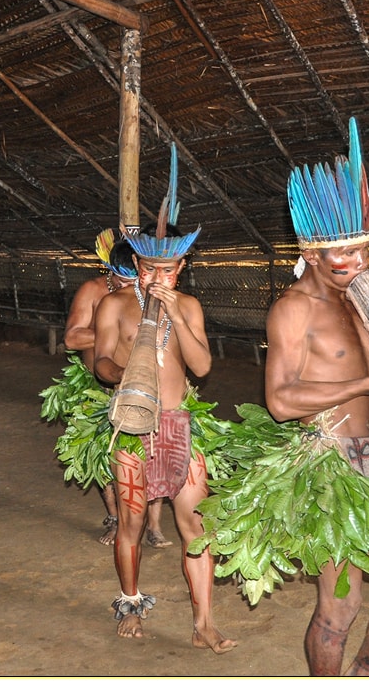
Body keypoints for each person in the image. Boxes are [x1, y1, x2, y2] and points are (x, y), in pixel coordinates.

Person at [264, 106, 369, 675]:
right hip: (331, 466)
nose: (357, 261)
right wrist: (366, 384)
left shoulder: (358, 295)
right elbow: (280, 402)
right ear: (311, 254)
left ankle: (367, 670)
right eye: (344, 253)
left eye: (364, 250)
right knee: (340, 606)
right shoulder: (292, 311)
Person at [92, 191, 235, 651]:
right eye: (151, 268)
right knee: (131, 524)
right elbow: (99, 363)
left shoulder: (188, 306)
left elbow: (203, 367)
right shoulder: (114, 306)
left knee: (196, 526)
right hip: (134, 427)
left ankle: (203, 623)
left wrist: (174, 309)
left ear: (181, 268)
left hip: (179, 427)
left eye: (169, 270)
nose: (159, 276)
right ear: (137, 264)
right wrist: (126, 379)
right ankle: (131, 603)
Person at [61, 229, 170, 549]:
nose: (130, 289)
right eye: (123, 283)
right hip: (100, 385)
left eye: (132, 281)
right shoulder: (93, 292)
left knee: (154, 449)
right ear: (109, 273)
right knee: (105, 454)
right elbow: (71, 338)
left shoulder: (150, 291)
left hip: (144, 384)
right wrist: (115, 331)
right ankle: (115, 517)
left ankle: (154, 524)